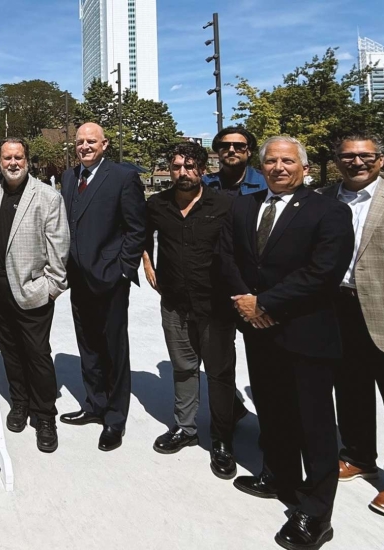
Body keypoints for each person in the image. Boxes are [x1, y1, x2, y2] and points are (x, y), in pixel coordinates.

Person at [219, 136, 353, 549]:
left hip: (305, 332)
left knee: (314, 426)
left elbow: (324, 270)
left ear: (304, 167)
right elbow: (226, 256)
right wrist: (246, 303)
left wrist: (267, 302)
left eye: (287, 161)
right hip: (259, 332)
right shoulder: (244, 205)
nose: (279, 167)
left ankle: (315, 512)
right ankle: (277, 476)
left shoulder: (329, 209)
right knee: (273, 410)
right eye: (272, 161)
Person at [142, 141, 246, 478]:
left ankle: (221, 439)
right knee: (184, 367)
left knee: (218, 373)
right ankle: (186, 429)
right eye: (176, 167)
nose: (183, 173)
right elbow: (141, 234)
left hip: (215, 304)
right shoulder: (157, 204)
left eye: (190, 167)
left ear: (202, 169)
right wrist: (147, 260)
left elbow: (244, 249)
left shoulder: (226, 204)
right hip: (174, 301)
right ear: (169, 170)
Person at [59, 122, 146, 452]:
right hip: (77, 279)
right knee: (89, 346)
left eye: (91, 141)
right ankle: (94, 405)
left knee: (113, 349)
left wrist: (123, 270)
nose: (84, 146)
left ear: (105, 144)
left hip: (109, 279)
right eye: (80, 142)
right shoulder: (70, 177)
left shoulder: (122, 177)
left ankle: (114, 418)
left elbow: (137, 228)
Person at [319, 133, 384, 516]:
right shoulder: (325, 197)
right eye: (348, 156)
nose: (356, 162)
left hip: (380, 308)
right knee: (350, 387)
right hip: (337, 308)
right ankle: (359, 456)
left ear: (379, 159)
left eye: (365, 156)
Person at [0, 138, 69, 453]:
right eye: (7, 157)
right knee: (10, 353)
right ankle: (19, 403)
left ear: (27, 160)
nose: (12, 163)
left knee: (37, 356)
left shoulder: (47, 197)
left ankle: (45, 416)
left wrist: (51, 288)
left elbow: (59, 250)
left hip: (31, 290)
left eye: (18, 157)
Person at [202, 126, 267, 196]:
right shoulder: (204, 184)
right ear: (218, 152)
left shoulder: (266, 183)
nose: (231, 150)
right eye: (225, 146)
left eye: (239, 146)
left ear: (249, 151)